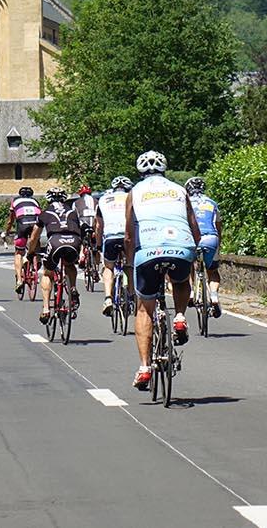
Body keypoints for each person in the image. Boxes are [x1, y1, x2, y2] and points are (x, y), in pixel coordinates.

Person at [126, 150, 201, 390]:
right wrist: (195, 250)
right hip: (181, 246)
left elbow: (128, 235)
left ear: (140, 172)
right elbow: (193, 224)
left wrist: (130, 263)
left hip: (147, 251)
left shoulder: (134, 192)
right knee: (180, 281)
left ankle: (145, 367)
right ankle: (179, 316)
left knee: (144, 308)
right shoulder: (180, 189)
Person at [30, 186, 82, 323]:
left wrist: (30, 252)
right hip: (74, 241)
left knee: (47, 273)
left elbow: (34, 236)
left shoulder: (45, 212)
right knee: (70, 264)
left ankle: (46, 309)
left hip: (55, 241)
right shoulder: (72, 211)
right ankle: (73, 288)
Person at [184, 177, 223, 318]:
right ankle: (213, 296)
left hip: (192, 239)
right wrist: (219, 243)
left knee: (188, 265)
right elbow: (218, 225)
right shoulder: (212, 203)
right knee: (212, 271)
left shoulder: (185, 203)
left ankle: (192, 292)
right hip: (211, 239)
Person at [94, 176, 132, 316]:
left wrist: (98, 245)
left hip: (110, 237)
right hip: (128, 237)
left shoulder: (103, 199)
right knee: (130, 264)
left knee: (109, 267)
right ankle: (132, 294)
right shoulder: (131, 197)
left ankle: (108, 298)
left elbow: (99, 226)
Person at [4, 186, 42, 294]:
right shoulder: (35, 201)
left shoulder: (15, 201)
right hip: (35, 224)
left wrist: (7, 231)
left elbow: (11, 220)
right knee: (35, 244)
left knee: (18, 253)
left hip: (22, 225)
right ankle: (35, 265)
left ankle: (19, 281)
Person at [74, 185, 98, 275]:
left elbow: (73, 217)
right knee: (96, 246)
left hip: (82, 225)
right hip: (94, 226)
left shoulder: (76, 203)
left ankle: (81, 255)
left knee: (80, 240)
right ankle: (96, 266)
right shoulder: (96, 201)